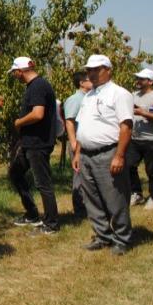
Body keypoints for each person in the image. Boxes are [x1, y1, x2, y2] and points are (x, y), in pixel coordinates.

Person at [73, 55, 134, 255]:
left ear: (108, 69)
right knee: (92, 199)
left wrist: (120, 156)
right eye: (89, 70)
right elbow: (83, 126)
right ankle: (102, 235)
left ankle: (122, 239)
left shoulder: (119, 94)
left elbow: (126, 126)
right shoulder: (89, 96)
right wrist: (78, 153)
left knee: (115, 198)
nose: (92, 73)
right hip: (86, 155)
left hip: (108, 152)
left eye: (96, 69)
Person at [7, 57, 60, 234]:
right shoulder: (35, 86)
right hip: (30, 142)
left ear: (20, 71)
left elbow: (38, 114)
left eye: (14, 73)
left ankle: (51, 223)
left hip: (38, 143)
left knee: (43, 183)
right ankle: (32, 213)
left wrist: (19, 122)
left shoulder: (37, 86)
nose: (15, 77)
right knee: (15, 173)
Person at [126, 68, 153, 210]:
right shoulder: (132, 95)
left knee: (152, 170)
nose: (138, 81)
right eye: (138, 78)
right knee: (129, 166)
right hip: (135, 139)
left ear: (151, 82)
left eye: (142, 79)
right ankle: (136, 193)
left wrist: (144, 113)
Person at [64, 71, 93, 217]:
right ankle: (79, 210)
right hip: (78, 142)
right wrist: (73, 142)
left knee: (87, 174)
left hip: (87, 142)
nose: (92, 81)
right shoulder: (75, 99)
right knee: (79, 175)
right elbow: (69, 121)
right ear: (81, 83)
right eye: (89, 79)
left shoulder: (89, 97)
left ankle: (89, 207)